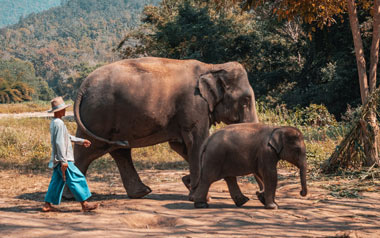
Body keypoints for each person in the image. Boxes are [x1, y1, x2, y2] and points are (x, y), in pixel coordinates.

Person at [42, 96, 98, 212]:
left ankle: (47, 204)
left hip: (58, 159)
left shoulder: (56, 122)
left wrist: (81, 141)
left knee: (56, 181)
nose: (64, 110)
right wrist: (64, 161)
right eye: (63, 109)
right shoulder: (59, 123)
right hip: (64, 158)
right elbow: (59, 142)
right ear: (59, 111)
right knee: (77, 178)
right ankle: (84, 204)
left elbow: (66, 137)